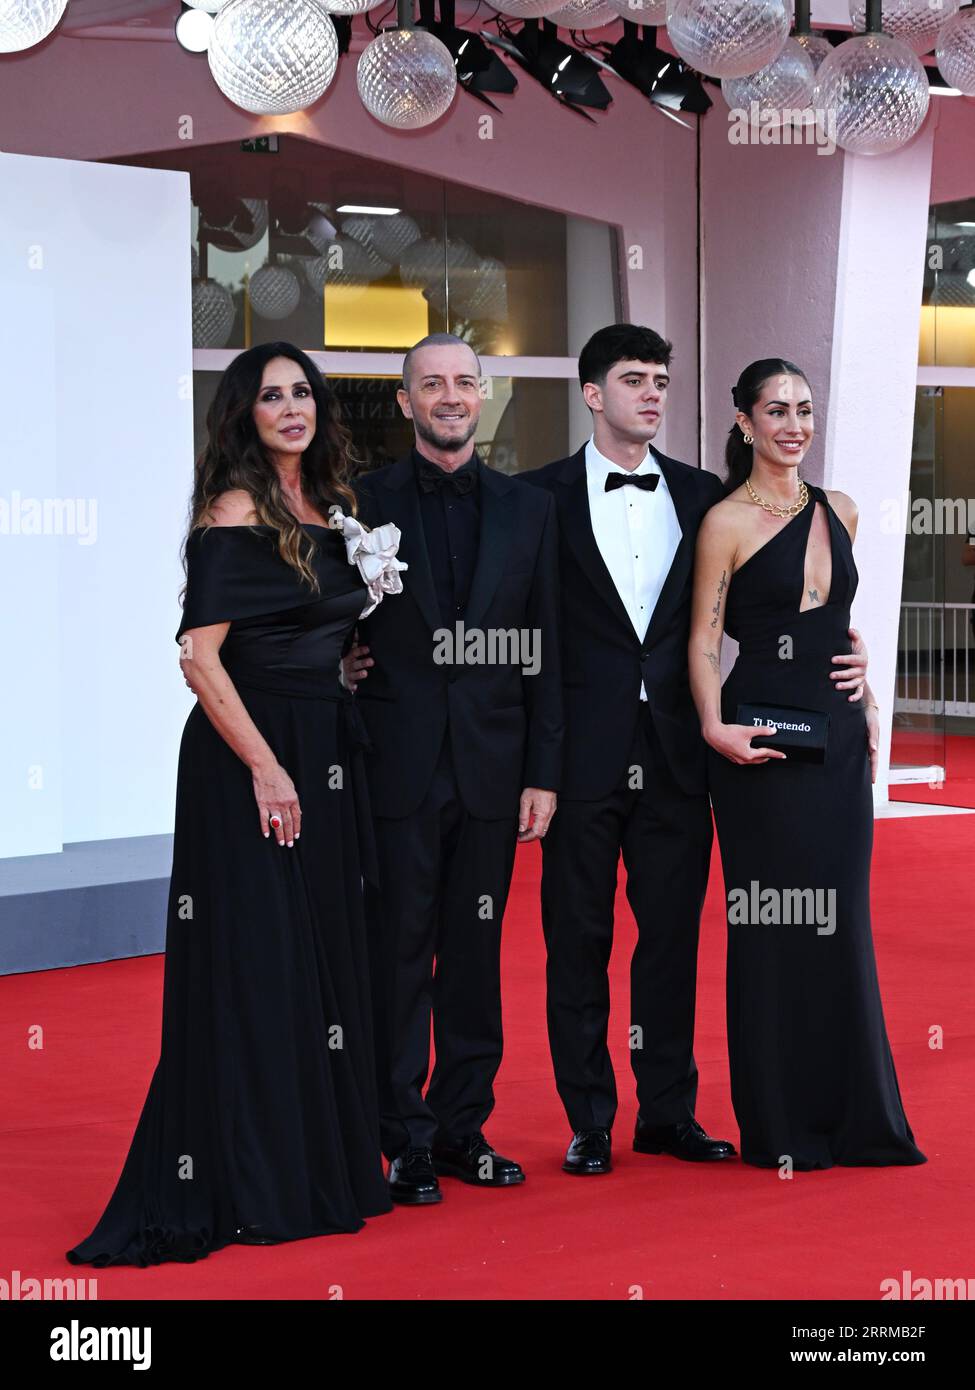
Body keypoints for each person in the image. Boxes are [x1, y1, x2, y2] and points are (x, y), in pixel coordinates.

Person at [66, 343, 405, 1266]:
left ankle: (311, 1167)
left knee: (320, 960)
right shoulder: (234, 510)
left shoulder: (325, 505)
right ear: (243, 415)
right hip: (249, 763)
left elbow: (294, 629)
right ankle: (250, 1177)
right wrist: (265, 766)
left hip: (321, 749)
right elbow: (200, 655)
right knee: (261, 961)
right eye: (270, 396)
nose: (291, 408)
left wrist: (336, 663)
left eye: (302, 393)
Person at [518, 324, 745, 1176]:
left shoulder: (702, 496)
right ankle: (587, 1120)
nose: (651, 392)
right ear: (590, 394)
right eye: (632, 379)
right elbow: (512, 623)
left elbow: (755, 602)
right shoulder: (534, 500)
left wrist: (848, 648)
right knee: (575, 943)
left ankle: (667, 1114)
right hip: (576, 759)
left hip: (678, 755)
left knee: (670, 942)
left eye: (660, 379)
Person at [689, 357, 926, 1170]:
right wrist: (713, 725)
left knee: (838, 924)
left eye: (804, 409)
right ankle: (784, 1124)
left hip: (834, 738)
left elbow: (839, 621)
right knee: (772, 926)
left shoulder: (844, 509)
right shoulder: (724, 520)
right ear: (744, 423)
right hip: (756, 741)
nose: (793, 425)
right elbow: (700, 639)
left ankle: (852, 1116)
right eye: (776, 411)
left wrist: (867, 685)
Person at [343, 333, 562, 1205]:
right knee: (396, 954)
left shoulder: (528, 508)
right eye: (429, 384)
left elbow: (544, 646)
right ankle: (401, 1139)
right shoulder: (356, 502)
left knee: (474, 954)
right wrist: (337, 670)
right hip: (394, 765)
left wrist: (542, 772)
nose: (448, 396)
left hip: (492, 769)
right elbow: (327, 622)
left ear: (484, 395)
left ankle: (465, 1128)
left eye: (463, 382)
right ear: (404, 402)